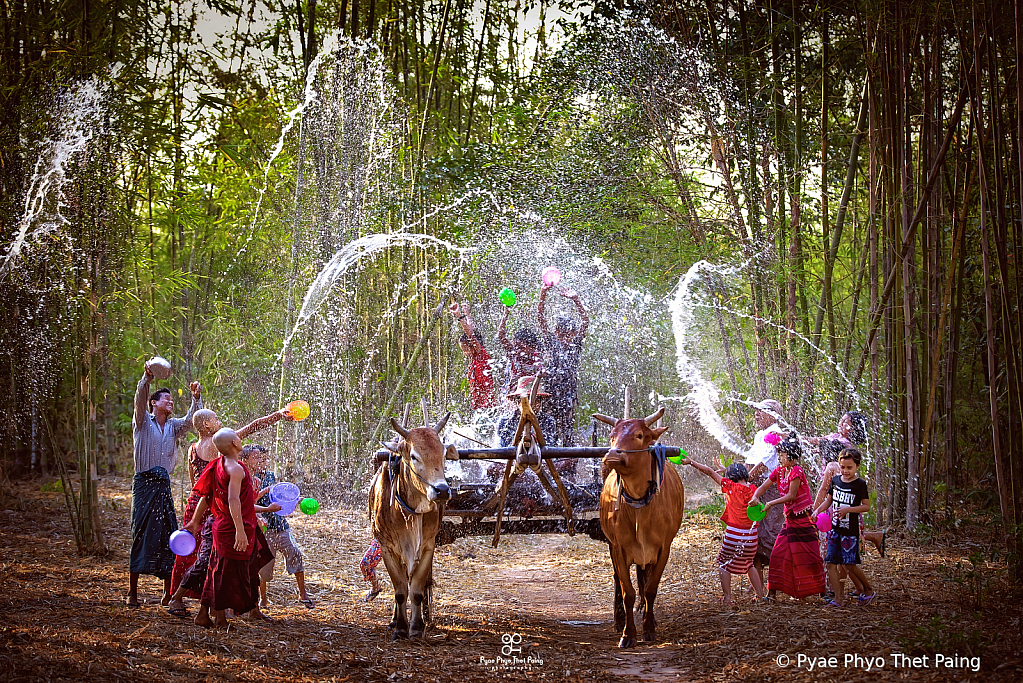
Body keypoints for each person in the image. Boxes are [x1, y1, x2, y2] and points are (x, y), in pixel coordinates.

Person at [166, 406, 294, 618]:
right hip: (222, 515)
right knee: (210, 562)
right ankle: (199, 607)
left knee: (243, 559)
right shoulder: (227, 460)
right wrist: (278, 416)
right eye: (216, 418)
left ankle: (247, 608)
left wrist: (195, 518)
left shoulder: (196, 450)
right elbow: (231, 499)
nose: (220, 420)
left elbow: (198, 488)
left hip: (207, 507)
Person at [127, 359, 202, 609]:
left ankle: (167, 593)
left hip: (163, 485)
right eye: (165, 400)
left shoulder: (173, 426)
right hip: (144, 485)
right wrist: (146, 378)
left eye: (171, 401)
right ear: (153, 403)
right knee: (140, 533)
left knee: (167, 534)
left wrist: (196, 397)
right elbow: (139, 400)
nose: (170, 403)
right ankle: (132, 593)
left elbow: (192, 420)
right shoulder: (142, 421)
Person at [184, 427, 274, 628]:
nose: (240, 439)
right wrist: (240, 530)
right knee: (224, 574)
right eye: (237, 437)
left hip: (223, 525)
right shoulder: (236, 469)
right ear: (234, 443)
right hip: (232, 529)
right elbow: (234, 500)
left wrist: (196, 521)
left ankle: (208, 615)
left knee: (218, 571)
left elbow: (206, 497)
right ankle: (219, 618)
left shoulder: (218, 464)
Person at [749, 432, 826, 601]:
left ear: (791, 457)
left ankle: (822, 591)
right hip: (790, 521)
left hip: (803, 519)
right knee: (777, 554)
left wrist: (770, 504)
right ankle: (772, 593)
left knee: (808, 556)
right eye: (778, 454)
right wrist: (755, 497)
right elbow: (763, 487)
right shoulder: (779, 471)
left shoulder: (796, 471)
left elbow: (791, 495)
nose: (779, 458)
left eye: (781, 455)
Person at [243, 443, 315, 610]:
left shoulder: (270, 476)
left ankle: (303, 594)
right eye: (260, 459)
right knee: (264, 566)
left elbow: (280, 496)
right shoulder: (247, 478)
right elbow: (248, 503)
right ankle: (263, 598)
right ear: (249, 460)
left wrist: (295, 500)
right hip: (264, 530)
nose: (263, 462)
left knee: (295, 554)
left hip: (281, 526)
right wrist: (264, 492)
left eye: (265, 459)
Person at [683, 459, 766, 605]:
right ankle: (760, 596)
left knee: (723, 563)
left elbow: (709, 471)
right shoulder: (753, 489)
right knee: (749, 564)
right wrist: (724, 469)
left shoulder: (729, 486)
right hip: (751, 535)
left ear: (730, 478)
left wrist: (691, 462)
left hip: (734, 533)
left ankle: (728, 598)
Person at [808, 411, 885, 557]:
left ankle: (836, 570)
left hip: (838, 500)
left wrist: (814, 509)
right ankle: (874, 537)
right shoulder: (834, 439)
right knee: (839, 531)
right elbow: (816, 441)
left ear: (854, 430)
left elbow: (825, 489)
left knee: (838, 532)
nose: (841, 424)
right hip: (834, 500)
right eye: (841, 420)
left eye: (846, 423)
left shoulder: (844, 451)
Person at [813, 448, 877, 607]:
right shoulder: (835, 481)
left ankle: (868, 590)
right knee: (831, 563)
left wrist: (849, 509)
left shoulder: (859, 484)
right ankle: (838, 598)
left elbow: (866, 506)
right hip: (835, 530)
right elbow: (829, 500)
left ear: (857, 467)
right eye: (842, 467)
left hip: (850, 532)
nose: (845, 471)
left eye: (849, 467)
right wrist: (817, 510)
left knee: (849, 564)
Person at [537, 283, 589, 446]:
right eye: (560, 333)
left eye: (568, 334)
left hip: (568, 393)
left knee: (567, 428)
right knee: (546, 426)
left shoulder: (575, 345)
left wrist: (576, 300)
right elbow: (540, 316)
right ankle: (546, 458)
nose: (564, 337)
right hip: (550, 392)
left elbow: (585, 321)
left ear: (573, 334)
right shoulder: (551, 342)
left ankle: (568, 462)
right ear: (556, 331)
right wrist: (543, 293)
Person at [743, 399, 786, 586]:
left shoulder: (775, 433)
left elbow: (766, 463)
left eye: (761, 411)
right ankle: (759, 587)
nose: (756, 415)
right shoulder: (760, 435)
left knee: (772, 534)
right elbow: (751, 460)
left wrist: (747, 480)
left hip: (772, 488)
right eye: (756, 411)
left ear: (773, 415)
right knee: (756, 535)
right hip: (757, 488)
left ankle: (779, 583)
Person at [448, 301, 497, 410]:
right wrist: (467, 314)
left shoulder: (482, 357)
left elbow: (471, 335)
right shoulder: (474, 360)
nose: (465, 353)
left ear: (473, 346)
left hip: (488, 407)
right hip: (478, 406)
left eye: (466, 350)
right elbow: (472, 331)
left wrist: (459, 316)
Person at [496, 376, 558, 447]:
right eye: (526, 400)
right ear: (518, 402)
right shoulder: (505, 421)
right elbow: (504, 449)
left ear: (540, 402)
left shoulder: (548, 421)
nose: (532, 404)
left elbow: (548, 448)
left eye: (537, 400)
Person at [496, 305, 544, 400]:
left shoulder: (536, 360)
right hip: (510, 395)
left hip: (529, 396)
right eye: (516, 347)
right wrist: (506, 313)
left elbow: (542, 371)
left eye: (521, 348)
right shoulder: (514, 354)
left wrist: (537, 375)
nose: (518, 350)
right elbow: (501, 335)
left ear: (532, 348)